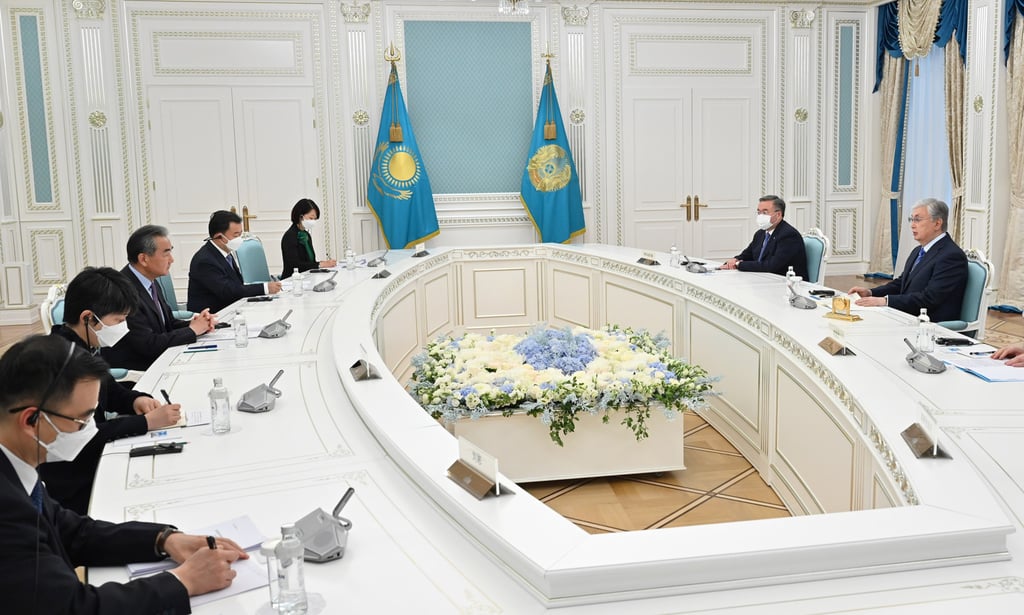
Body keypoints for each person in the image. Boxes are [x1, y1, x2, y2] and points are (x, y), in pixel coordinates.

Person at [0, 335, 246, 613]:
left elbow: (72, 532)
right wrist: (183, 581)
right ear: (31, 420)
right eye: (83, 420)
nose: (90, 429)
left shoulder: (17, 464)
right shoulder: (6, 507)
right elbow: (71, 607)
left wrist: (164, 539)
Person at [44, 267, 182, 514]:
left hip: (94, 457)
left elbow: (111, 391)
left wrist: (136, 400)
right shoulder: (62, 363)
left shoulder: (85, 346)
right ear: (89, 318)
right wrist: (146, 423)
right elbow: (84, 437)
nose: (123, 327)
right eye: (118, 321)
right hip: (77, 480)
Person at [102, 225, 217, 372]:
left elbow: (167, 325)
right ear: (143, 259)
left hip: (160, 361)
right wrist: (192, 330)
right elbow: (148, 344)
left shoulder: (150, 280)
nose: (172, 260)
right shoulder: (122, 291)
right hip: (138, 372)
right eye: (166, 253)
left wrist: (199, 324)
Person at [849, 198, 967, 322]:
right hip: (906, 316)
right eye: (911, 219)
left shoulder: (951, 256)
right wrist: (870, 292)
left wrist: (885, 301)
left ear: (937, 223)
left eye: (918, 220)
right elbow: (901, 284)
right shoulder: (918, 250)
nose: (912, 225)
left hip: (928, 324)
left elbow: (930, 298)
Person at [186, 210, 282, 313]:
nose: (239, 239)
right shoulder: (205, 261)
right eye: (236, 235)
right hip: (212, 316)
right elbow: (228, 291)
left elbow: (237, 285)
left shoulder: (225, 252)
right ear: (219, 236)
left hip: (231, 308)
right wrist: (265, 288)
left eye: (240, 234)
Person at [720, 195, 808, 278]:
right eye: (759, 212)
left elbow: (772, 266)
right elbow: (747, 255)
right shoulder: (760, 234)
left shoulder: (789, 235)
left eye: (765, 212)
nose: (760, 216)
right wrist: (734, 260)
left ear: (778, 215)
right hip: (762, 278)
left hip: (786, 283)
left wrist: (738, 264)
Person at [281, 198, 337, 279]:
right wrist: (320, 264)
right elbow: (294, 265)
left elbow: (310, 262)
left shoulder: (306, 235)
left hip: (307, 277)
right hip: (292, 279)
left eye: (315, 219)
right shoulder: (289, 236)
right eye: (311, 218)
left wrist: (322, 264)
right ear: (301, 217)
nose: (313, 221)